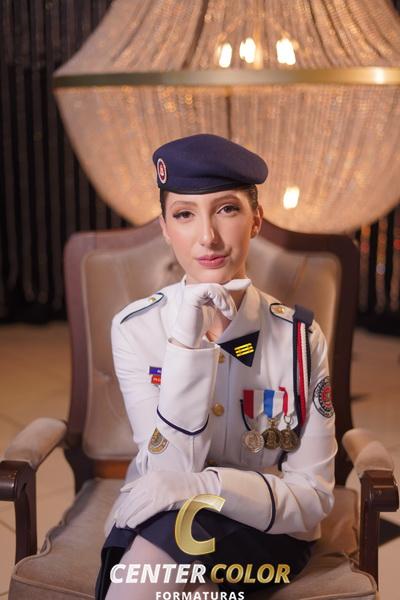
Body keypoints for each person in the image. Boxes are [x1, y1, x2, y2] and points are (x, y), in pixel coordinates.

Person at [95, 133, 337, 599]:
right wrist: (186, 347)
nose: (207, 237)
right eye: (184, 214)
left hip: (263, 532)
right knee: (160, 561)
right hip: (160, 516)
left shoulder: (299, 338)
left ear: (256, 220)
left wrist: (201, 485)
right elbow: (168, 467)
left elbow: (314, 496)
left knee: (150, 570)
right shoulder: (135, 329)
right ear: (165, 228)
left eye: (227, 209)